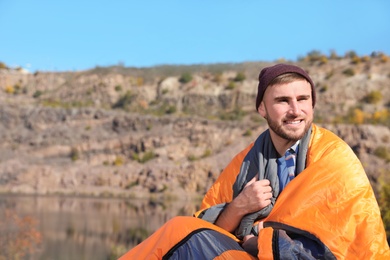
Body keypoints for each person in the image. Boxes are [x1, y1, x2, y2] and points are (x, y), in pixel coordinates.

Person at [120, 64, 390, 259]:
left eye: (303, 99)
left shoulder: (333, 157)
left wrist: (256, 242)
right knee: (181, 231)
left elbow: (328, 247)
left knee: (179, 233)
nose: (295, 110)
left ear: (313, 105)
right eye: (283, 101)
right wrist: (239, 206)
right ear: (262, 108)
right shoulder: (248, 161)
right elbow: (207, 229)